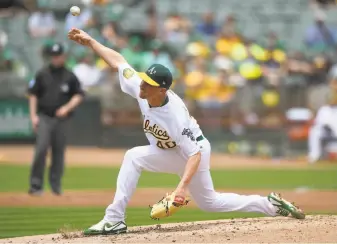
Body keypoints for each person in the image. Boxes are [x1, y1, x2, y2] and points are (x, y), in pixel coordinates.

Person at [67, 28, 305, 235]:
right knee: (133, 157)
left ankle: (269, 205)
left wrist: (180, 189)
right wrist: (91, 42)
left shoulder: (175, 116)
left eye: (147, 83)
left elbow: (195, 154)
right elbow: (119, 61)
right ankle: (114, 220)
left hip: (194, 151)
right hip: (169, 150)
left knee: (210, 203)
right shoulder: (141, 88)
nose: (141, 84)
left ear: (161, 90)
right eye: (142, 80)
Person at [27, 43, 84, 196]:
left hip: (62, 120)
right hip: (45, 117)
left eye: (58, 56)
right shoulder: (42, 74)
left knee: (58, 153)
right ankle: (36, 185)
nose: (56, 59)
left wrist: (67, 107)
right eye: (53, 56)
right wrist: (33, 116)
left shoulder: (69, 75)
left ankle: (55, 186)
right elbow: (33, 95)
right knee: (41, 149)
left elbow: (79, 95)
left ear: (63, 57)